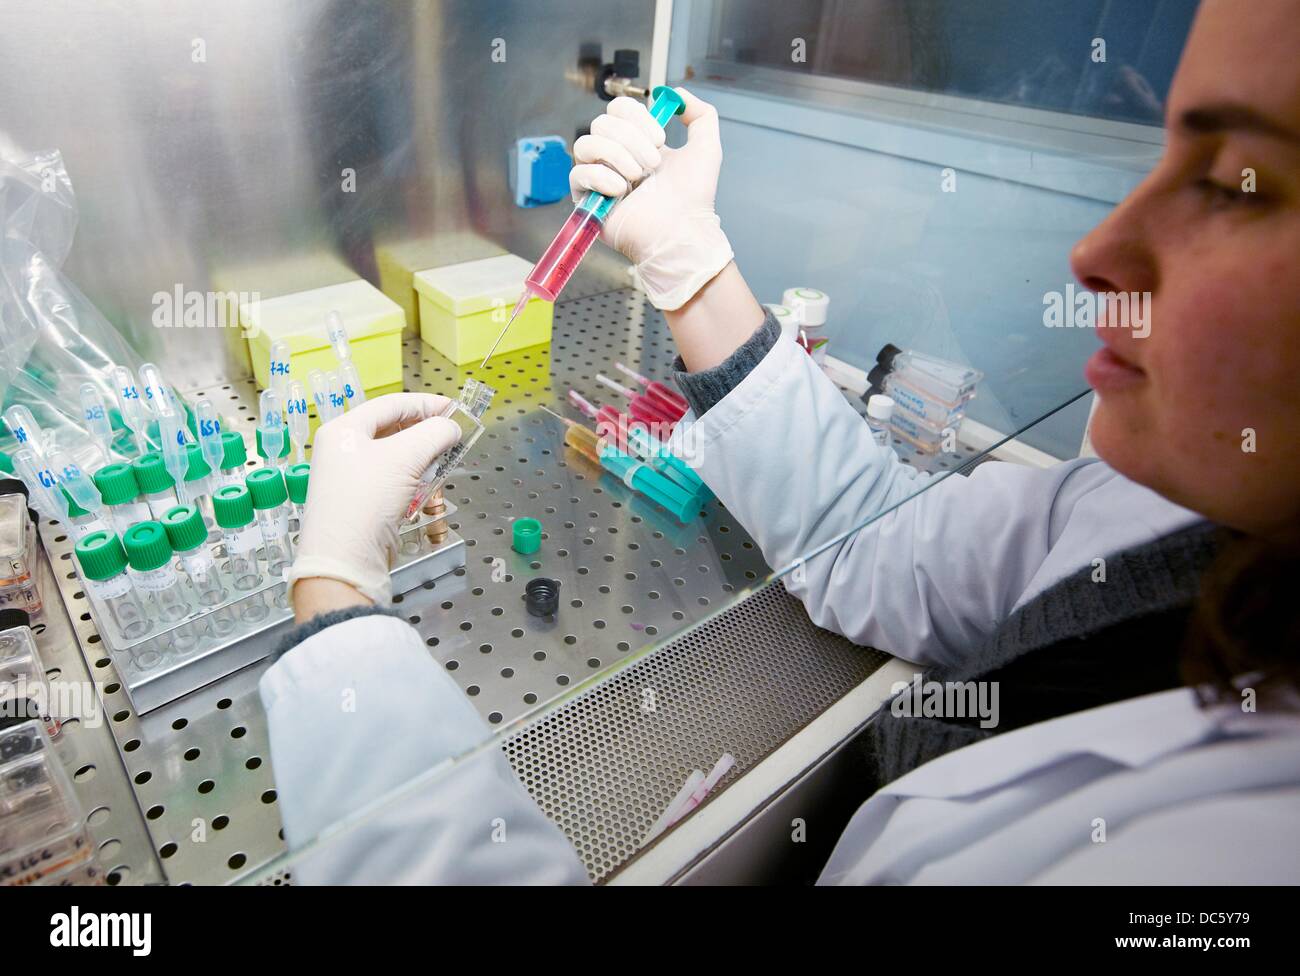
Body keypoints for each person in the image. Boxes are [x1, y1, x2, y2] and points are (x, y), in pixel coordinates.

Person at [261, 0, 1299, 884]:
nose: (1096, 251)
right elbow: (876, 540)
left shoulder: (1215, 862)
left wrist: (336, 597)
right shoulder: (1173, 512)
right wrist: (686, 261)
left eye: (1234, 181)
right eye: (1162, 152)